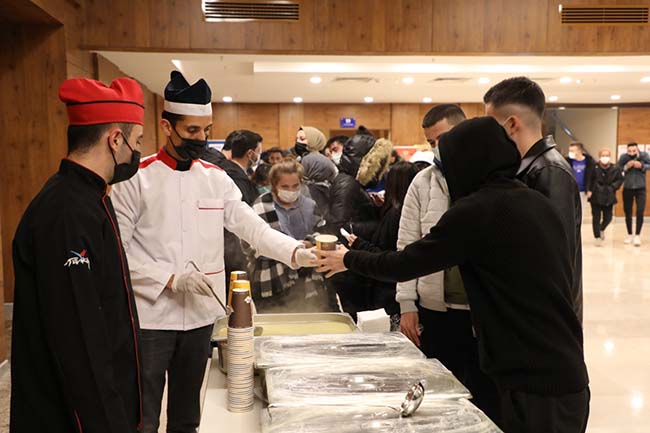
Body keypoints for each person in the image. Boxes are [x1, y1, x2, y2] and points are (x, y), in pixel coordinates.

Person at [316, 117, 590, 433]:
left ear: (467, 162)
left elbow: (407, 263)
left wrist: (348, 258)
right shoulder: (534, 201)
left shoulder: (479, 210)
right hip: (564, 369)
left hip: (531, 383)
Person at [110, 71, 315, 433]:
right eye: (192, 130)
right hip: (151, 318)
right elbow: (116, 253)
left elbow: (254, 229)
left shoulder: (215, 179)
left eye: (206, 130)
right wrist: (170, 279)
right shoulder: (135, 179)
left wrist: (295, 252)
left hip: (201, 317)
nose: (201, 139)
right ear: (167, 126)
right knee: (142, 416)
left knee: (188, 416)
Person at [11, 77, 145, 433]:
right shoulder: (66, 211)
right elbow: (79, 339)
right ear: (115, 139)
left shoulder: (92, 196)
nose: (137, 152)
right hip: (73, 417)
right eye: (137, 142)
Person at [395, 104, 498, 419]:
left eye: (443, 138)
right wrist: (407, 304)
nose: (438, 147)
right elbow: (407, 244)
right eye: (431, 142)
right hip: (437, 310)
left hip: (485, 310)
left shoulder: (492, 179)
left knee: (486, 396)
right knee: (440, 395)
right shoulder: (423, 183)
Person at [484, 76, 583, 324]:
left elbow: (556, 258)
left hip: (546, 320)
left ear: (511, 124)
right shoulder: (525, 167)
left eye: (491, 127)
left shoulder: (549, 170)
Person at [245, 160, 331, 313]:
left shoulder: (309, 205)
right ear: (274, 185)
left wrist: (310, 243)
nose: (291, 191)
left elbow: (322, 231)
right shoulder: (260, 206)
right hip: (272, 280)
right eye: (285, 187)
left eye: (295, 186)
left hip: (306, 279)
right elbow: (249, 246)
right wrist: (285, 248)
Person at [344, 161, 419, 329]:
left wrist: (358, 244)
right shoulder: (407, 212)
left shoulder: (395, 215)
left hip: (390, 295)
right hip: (402, 293)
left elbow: (386, 256)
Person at [326, 128, 393, 318]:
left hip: (354, 265)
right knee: (357, 318)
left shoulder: (353, 183)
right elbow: (340, 226)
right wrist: (380, 224)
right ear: (366, 162)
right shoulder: (347, 184)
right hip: (350, 270)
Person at [218, 129, 263, 206]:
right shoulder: (238, 178)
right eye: (258, 151)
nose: (259, 155)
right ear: (250, 153)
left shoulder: (222, 169)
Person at [588, 148, 623, 246]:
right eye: (603, 155)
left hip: (609, 195)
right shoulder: (594, 167)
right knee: (596, 217)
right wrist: (589, 190)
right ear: (599, 156)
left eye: (607, 155)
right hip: (596, 195)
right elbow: (589, 179)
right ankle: (597, 237)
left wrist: (613, 187)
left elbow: (620, 180)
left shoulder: (615, 168)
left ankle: (601, 228)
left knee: (608, 217)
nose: (605, 157)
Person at [617, 142, 650, 246]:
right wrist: (626, 166)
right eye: (629, 151)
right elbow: (618, 168)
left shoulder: (644, 155)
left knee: (640, 211)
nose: (631, 153)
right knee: (628, 212)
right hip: (628, 188)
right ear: (627, 150)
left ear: (637, 149)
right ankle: (629, 234)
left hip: (641, 188)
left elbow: (649, 165)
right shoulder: (623, 157)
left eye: (634, 151)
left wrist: (642, 166)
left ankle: (637, 235)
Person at [566, 142, 595, 217]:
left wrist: (590, 189)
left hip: (583, 190)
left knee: (581, 211)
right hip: (570, 190)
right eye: (570, 151)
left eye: (572, 151)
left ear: (580, 151)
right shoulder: (567, 161)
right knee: (571, 211)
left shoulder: (589, 162)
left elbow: (593, 177)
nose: (570, 153)